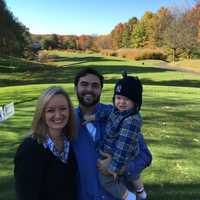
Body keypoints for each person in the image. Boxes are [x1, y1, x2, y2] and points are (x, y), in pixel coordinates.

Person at [72, 68, 139, 200]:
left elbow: (144, 155)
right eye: (84, 84)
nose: (89, 89)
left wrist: (122, 167)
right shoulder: (67, 121)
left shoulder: (120, 116)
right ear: (75, 89)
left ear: (101, 90)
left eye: (95, 86)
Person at [14, 86, 77, 200]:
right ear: (41, 114)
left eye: (63, 108)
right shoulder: (30, 150)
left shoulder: (70, 143)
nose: (58, 115)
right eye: (50, 110)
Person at [98, 73, 151, 200]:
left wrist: (114, 168)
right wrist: (93, 117)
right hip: (126, 155)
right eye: (118, 98)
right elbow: (106, 113)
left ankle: (130, 197)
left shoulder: (130, 120)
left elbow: (124, 149)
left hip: (122, 156)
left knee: (106, 180)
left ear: (135, 102)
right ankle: (141, 192)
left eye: (126, 99)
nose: (121, 102)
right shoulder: (115, 111)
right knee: (134, 175)